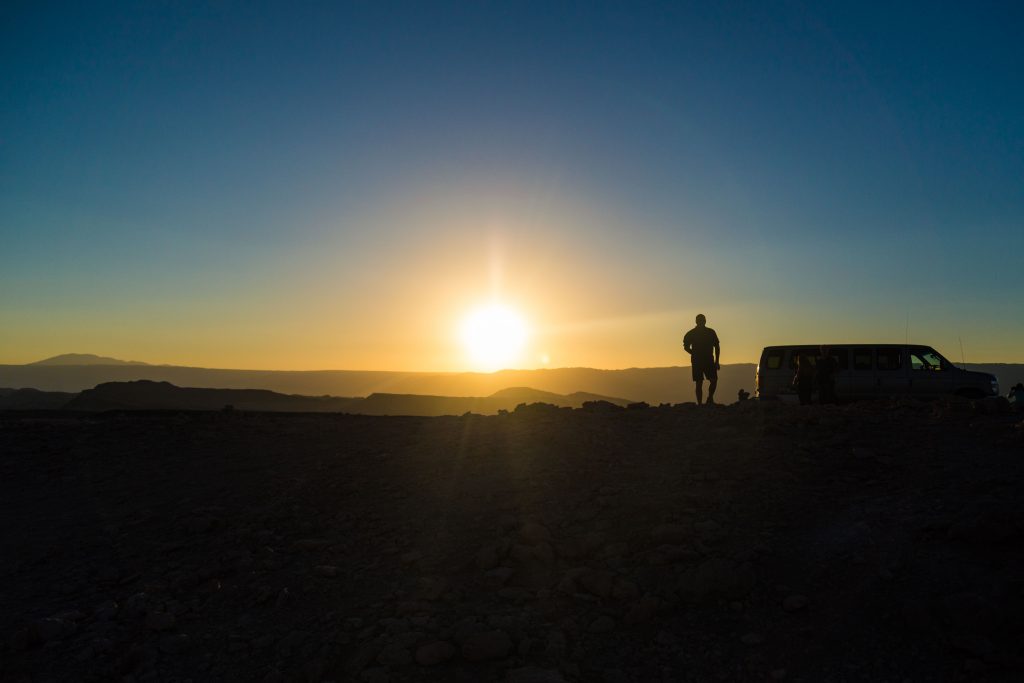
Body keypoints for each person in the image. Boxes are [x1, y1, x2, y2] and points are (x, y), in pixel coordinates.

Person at [683, 313, 720, 405]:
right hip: (698, 361)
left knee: (713, 380)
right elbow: (686, 347)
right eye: (700, 320)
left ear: (705, 321)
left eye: (702, 320)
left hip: (707, 360)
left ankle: (709, 398)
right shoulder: (691, 333)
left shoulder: (710, 332)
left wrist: (717, 361)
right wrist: (694, 354)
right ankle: (700, 403)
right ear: (696, 322)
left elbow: (717, 346)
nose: (701, 322)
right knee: (699, 382)